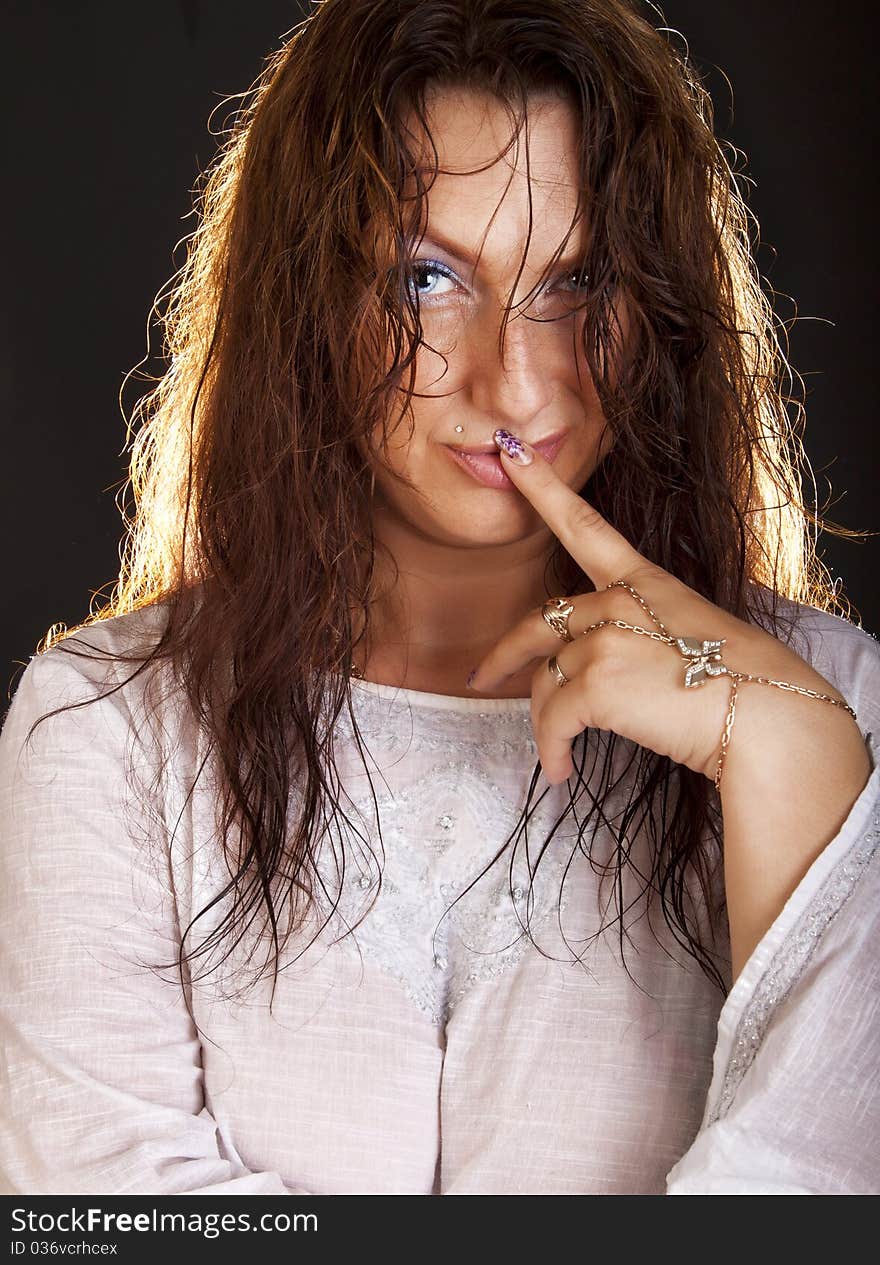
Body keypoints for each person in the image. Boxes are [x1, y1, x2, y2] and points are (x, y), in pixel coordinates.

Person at [1, 0, 878, 1197]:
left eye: (578, 283)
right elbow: (103, 1217)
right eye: (428, 279)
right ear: (304, 305)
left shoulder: (834, 703)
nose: (515, 381)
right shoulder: (101, 727)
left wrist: (788, 756)